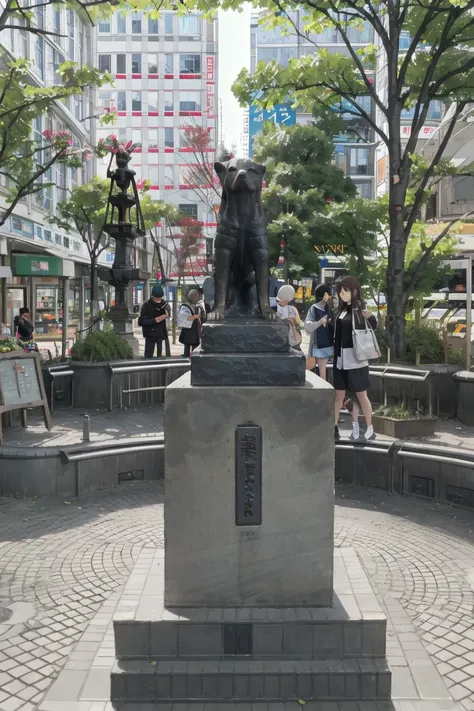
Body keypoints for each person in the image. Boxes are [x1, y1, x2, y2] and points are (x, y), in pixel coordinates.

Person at [333, 275, 377, 442]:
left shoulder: (360, 310)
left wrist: (371, 317)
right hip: (340, 360)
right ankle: (334, 427)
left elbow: (373, 326)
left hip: (356, 359)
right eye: (340, 291)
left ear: (354, 291)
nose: (342, 294)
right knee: (339, 396)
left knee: (361, 395)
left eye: (345, 291)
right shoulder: (340, 311)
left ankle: (369, 428)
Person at [304, 283, 334, 381]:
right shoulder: (314, 308)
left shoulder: (329, 308)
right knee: (321, 369)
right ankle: (324, 389)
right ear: (325, 295)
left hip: (327, 342)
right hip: (319, 343)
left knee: (322, 368)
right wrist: (320, 322)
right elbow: (308, 326)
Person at [138, 285, 170, 358]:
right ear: (153, 297)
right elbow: (142, 321)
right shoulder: (146, 306)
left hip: (161, 335)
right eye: (157, 298)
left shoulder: (164, 304)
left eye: (160, 298)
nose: (159, 300)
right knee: (149, 356)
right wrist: (156, 319)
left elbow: (168, 314)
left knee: (161, 357)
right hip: (150, 334)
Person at [178, 289, 202, 357]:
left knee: (194, 348)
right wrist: (196, 316)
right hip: (188, 331)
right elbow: (186, 317)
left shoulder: (199, 306)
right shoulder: (185, 307)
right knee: (187, 348)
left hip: (195, 331)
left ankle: (193, 358)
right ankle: (187, 359)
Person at [276, 284, 302, 349]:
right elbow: (298, 325)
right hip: (292, 341)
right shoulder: (293, 309)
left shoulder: (273, 308)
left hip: (278, 339)